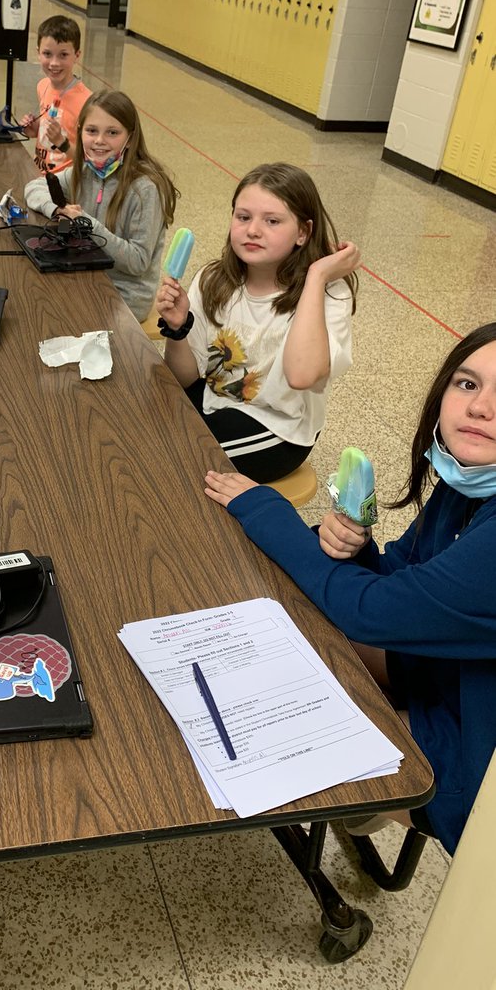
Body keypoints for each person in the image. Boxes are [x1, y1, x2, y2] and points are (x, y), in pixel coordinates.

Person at [203, 322, 496, 855]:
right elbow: (399, 579)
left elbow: (368, 610)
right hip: (443, 674)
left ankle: (374, 798)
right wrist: (354, 546)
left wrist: (267, 509)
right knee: (291, 630)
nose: (479, 408)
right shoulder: (468, 479)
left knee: (278, 709)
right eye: (467, 384)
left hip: (472, 764)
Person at [156, 162, 359, 482]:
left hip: (277, 427)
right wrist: (178, 329)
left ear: (303, 233)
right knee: (143, 426)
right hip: (216, 398)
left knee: (178, 459)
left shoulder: (329, 295)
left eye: (272, 221)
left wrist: (317, 276)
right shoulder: (213, 280)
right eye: (243, 217)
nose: (253, 230)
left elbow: (302, 374)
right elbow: (183, 378)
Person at [24, 89, 179, 322]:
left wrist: (88, 225)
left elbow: (138, 262)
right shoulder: (85, 171)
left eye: (112, 132)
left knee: (50, 315)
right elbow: (33, 188)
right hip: (86, 275)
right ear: (80, 132)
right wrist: (56, 209)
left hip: (125, 295)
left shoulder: (146, 188)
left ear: (130, 136)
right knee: (32, 297)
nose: (99, 141)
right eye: (91, 131)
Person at [19, 15, 92, 174]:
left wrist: (61, 142)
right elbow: (51, 125)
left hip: (65, 185)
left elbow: (89, 160)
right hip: (39, 176)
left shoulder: (87, 102)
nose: (54, 63)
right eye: (47, 54)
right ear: (38, 53)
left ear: (77, 55)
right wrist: (36, 128)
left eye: (63, 55)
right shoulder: (42, 85)